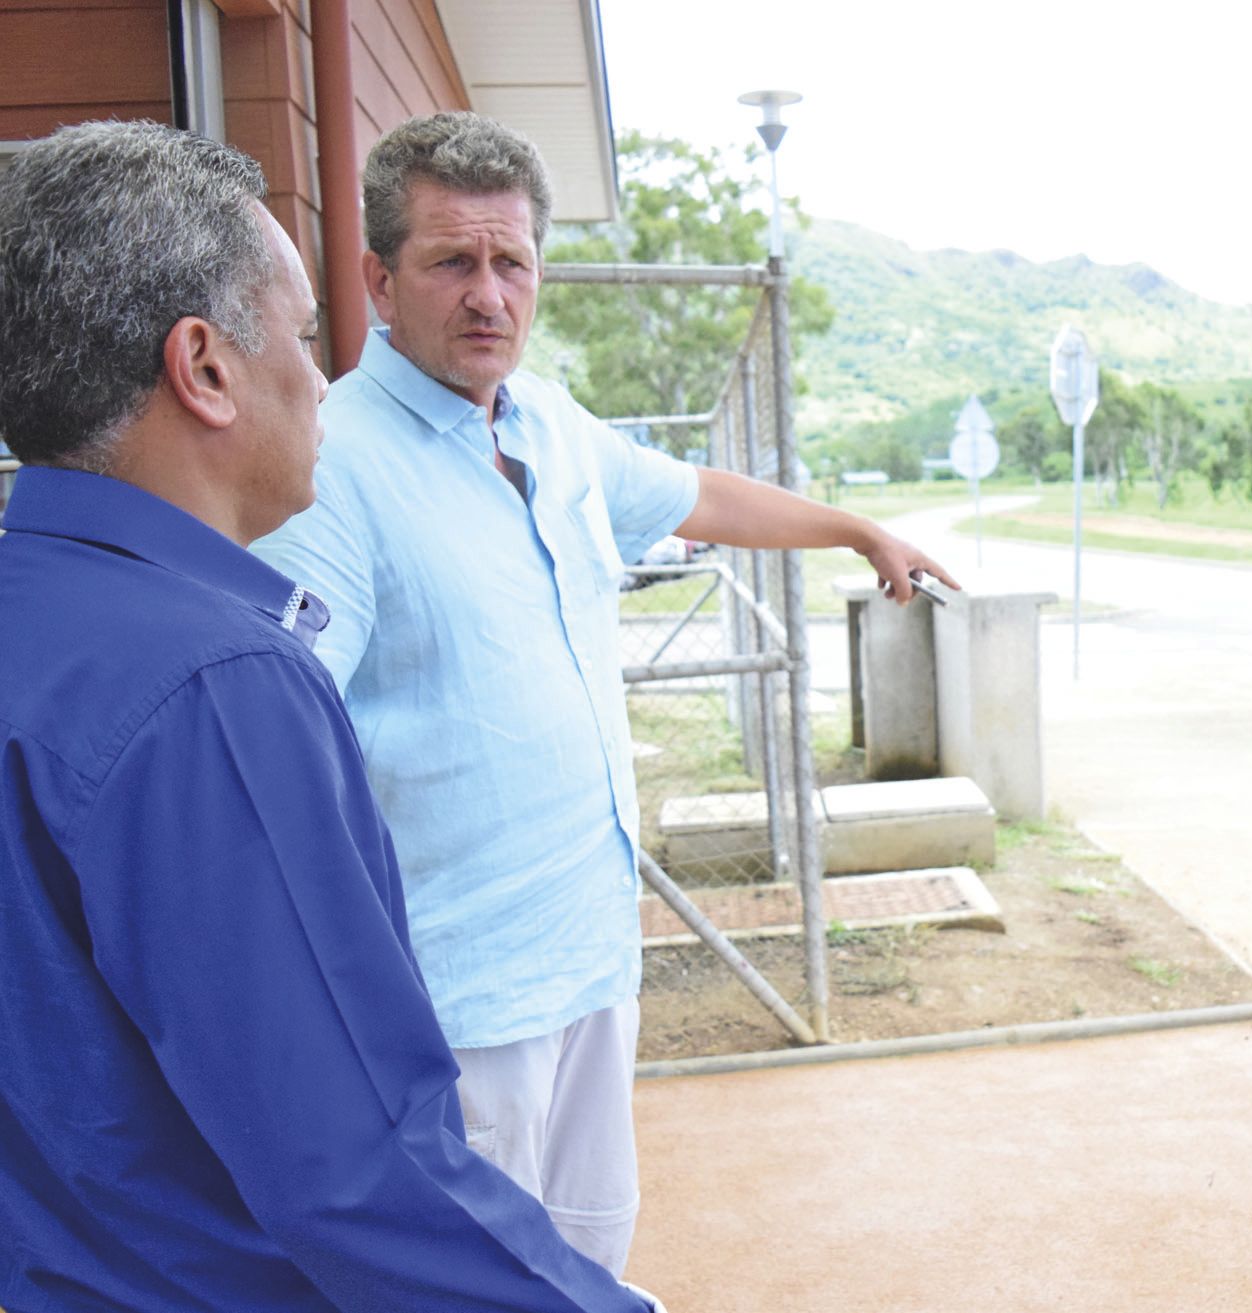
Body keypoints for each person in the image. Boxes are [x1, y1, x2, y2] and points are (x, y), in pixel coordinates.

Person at [252, 111, 957, 1276]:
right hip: (455, 1003)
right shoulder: (333, 467)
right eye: (451, 262)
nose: (490, 294)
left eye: (512, 262)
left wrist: (852, 526)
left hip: (590, 952)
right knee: (470, 1283)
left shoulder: (551, 426)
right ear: (379, 279)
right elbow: (277, 739)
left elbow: (701, 497)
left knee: (586, 1256)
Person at [0, 122, 660, 1309]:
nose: (320, 377)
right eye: (302, 335)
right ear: (204, 367)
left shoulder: (33, 615)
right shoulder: (216, 686)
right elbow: (352, 1166)